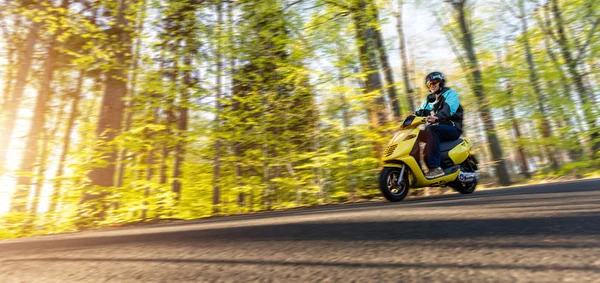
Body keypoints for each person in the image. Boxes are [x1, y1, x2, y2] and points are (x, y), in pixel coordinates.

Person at [414, 72, 464, 178]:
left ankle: (435, 168)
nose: (432, 85)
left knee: (431, 130)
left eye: (434, 82)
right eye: (429, 84)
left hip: (452, 128)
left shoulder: (450, 94)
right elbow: (418, 113)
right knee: (414, 135)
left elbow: (448, 109)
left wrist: (437, 117)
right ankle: (415, 167)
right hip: (437, 130)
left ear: (441, 83)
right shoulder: (430, 100)